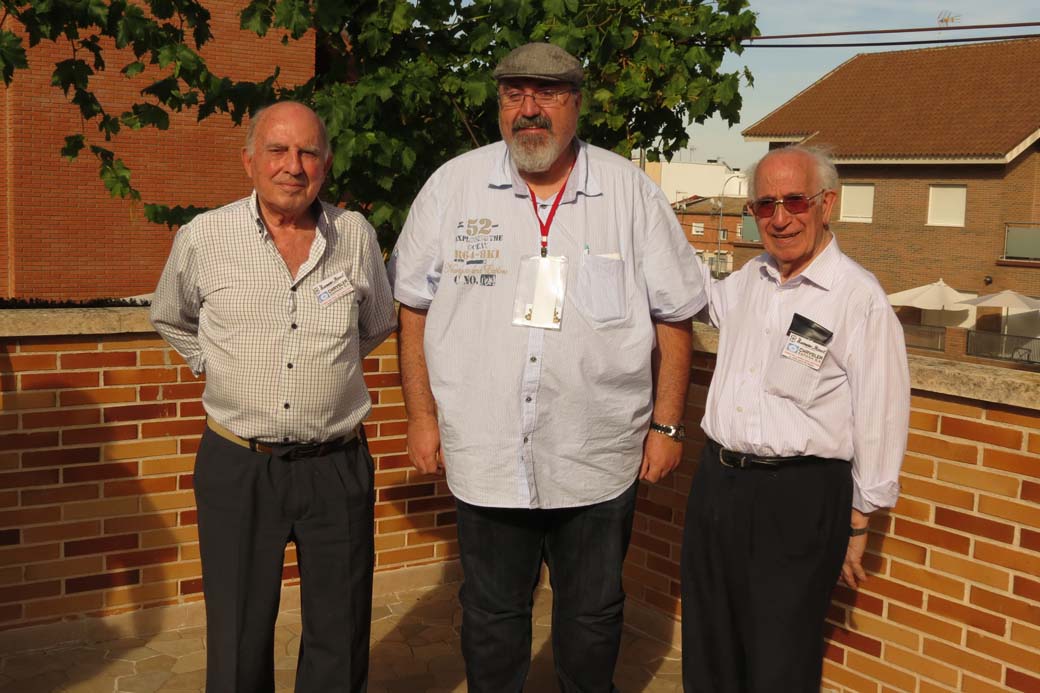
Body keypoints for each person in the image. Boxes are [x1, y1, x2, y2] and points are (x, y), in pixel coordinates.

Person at [389, 42, 707, 692]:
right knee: (490, 617)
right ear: (500, 103)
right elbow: (412, 308)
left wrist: (668, 425)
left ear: (576, 104)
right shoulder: (453, 187)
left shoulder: (629, 194)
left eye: (548, 93)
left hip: (597, 455)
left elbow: (676, 317)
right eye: (514, 94)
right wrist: (421, 416)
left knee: (591, 620)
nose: (529, 109)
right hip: (485, 453)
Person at [150, 101, 396, 692]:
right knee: (237, 634)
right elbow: (170, 316)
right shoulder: (205, 236)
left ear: (327, 164)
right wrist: (216, 364)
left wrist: (325, 373)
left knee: (340, 634)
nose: (293, 166)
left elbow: (378, 322)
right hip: (239, 464)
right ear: (249, 161)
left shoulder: (355, 237)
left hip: (336, 465)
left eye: (308, 152)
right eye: (278, 151)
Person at [680, 145, 910, 692]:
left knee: (779, 660)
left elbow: (881, 413)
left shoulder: (858, 298)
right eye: (764, 205)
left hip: (799, 499)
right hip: (717, 486)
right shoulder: (747, 279)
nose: (780, 218)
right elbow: (688, 296)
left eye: (794, 201)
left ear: (826, 203)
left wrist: (860, 517)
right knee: (709, 648)